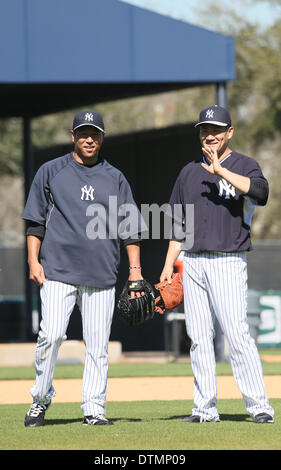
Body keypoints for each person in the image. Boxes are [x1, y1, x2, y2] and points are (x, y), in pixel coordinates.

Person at [22, 110, 145, 427]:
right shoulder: (51, 171)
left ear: (102, 138)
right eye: (82, 133)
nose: (88, 138)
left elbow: (130, 228)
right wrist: (33, 261)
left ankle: (94, 407)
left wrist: (135, 271)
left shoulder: (114, 177)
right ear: (72, 136)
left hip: (101, 274)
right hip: (57, 271)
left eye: (95, 133)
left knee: (97, 346)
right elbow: (35, 223)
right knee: (50, 336)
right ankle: (40, 399)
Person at [160, 105, 274, 424]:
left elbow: (262, 193)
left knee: (236, 334)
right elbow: (178, 225)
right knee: (198, 336)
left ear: (229, 132)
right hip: (192, 261)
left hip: (227, 260)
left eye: (216, 129)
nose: (209, 135)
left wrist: (220, 170)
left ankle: (259, 405)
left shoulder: (244, 165)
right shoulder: (188, 172)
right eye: (204, 130)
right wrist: (169, 264)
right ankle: (205, 408)